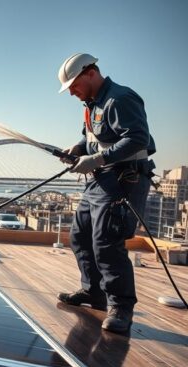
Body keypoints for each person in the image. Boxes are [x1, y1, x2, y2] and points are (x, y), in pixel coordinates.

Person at [55, 53, 155, 334]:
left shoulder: (120, 99)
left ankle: (121, 308)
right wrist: (77, 149)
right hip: (99, 181)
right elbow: (92, 139)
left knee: (107, 242)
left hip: (122, 180)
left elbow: (137, 138)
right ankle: (93, 292)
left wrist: (97, 160)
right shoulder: (92, 105)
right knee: (80, 234)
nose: (72, 92)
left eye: (73, 85)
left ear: (90, 73)